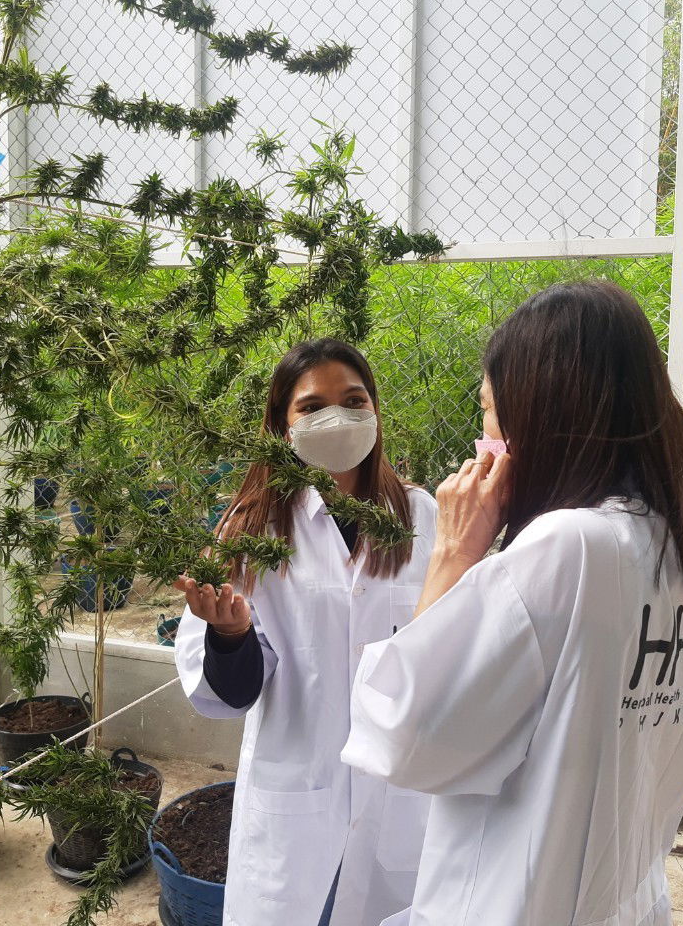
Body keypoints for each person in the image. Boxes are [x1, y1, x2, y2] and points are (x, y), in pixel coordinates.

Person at [341, 279, 683, 926]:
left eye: (490, 414)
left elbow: (404, 735)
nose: (485, 440)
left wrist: (454, 556)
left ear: (542, 418)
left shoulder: (572, 549)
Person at [174, 338, 438, 926]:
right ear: (280, 424)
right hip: (298, 799)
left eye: (353, 399)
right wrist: (230, 637)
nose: (336, 417)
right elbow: (231, 692)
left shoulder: (422, 517)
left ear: (375, 410)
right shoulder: (251, 529)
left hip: (400, 797)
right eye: (312, 407)